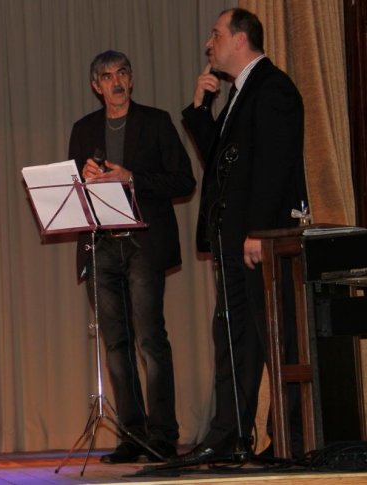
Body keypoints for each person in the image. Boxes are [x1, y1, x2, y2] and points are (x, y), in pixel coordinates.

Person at [173, 8, 307, 464]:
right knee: (234, 340)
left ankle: (290, 442)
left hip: (258, 241)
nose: (208, 44)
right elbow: (221, 162)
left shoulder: (272, 88)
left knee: (276, 339)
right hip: (232, 242)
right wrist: (199, 110)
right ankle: (229, 436)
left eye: (216, 35)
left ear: (240, 39)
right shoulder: (240, 93)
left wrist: (258, 233)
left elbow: (274, 167)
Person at [69, 50, 195, 463]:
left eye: (122, 73)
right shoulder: (83, 129)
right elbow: (71, 190)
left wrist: (132, 178)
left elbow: (184, 180)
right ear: (96, 86)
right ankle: (132, 436)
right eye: (107, 76)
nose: (116, 81)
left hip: (144, 244)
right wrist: (84, 179)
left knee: (150, 339)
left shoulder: (156, 122)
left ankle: (163, 436)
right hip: (101, 245)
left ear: (132, 78)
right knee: (116, 344)